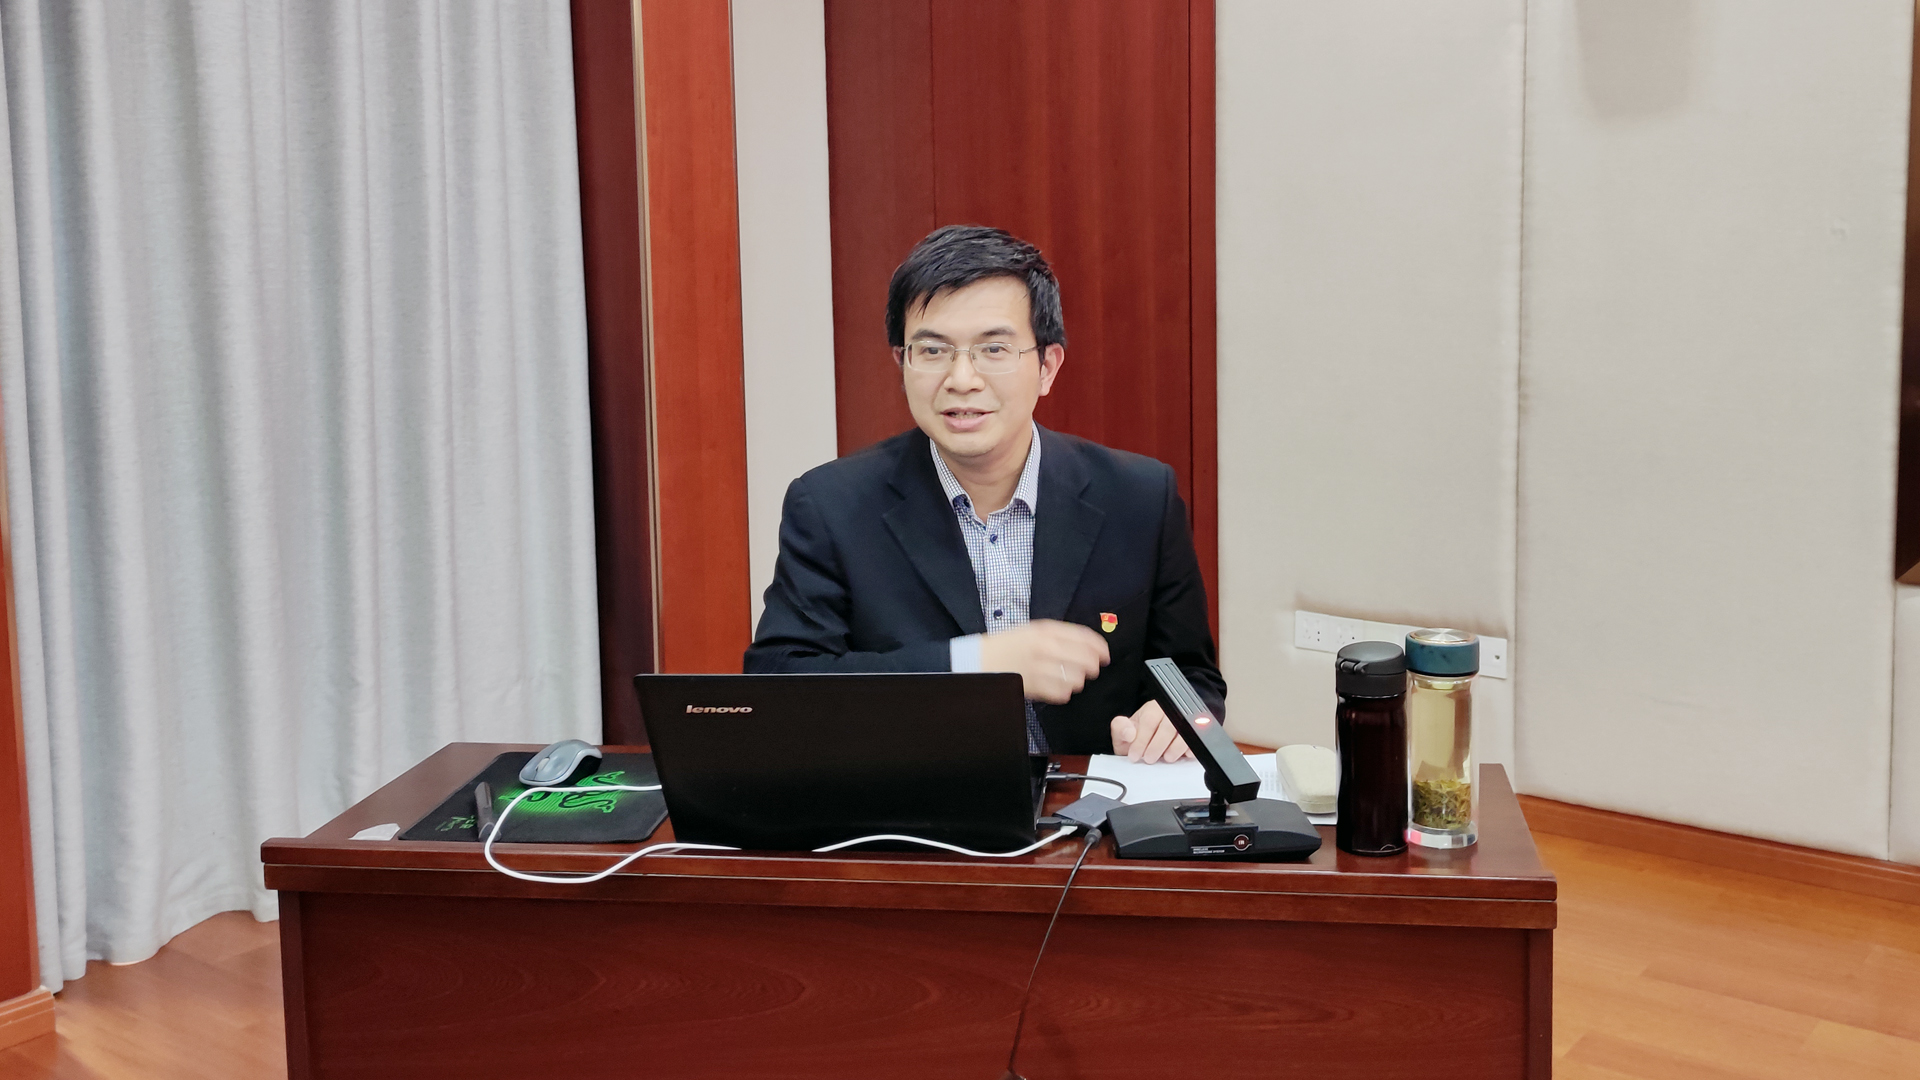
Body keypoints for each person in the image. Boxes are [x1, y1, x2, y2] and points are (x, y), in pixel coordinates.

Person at [744, 225, 1223, 762]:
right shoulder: (830, 504)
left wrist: (1180, 717)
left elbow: (1192, 676)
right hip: (918, 795)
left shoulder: (1140, 497)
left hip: (1090, 798)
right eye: (933, 350)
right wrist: (974, 663)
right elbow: (779, 685)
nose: (962, 378)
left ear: (1047, 367)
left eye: (994, 348)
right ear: (901, 364)